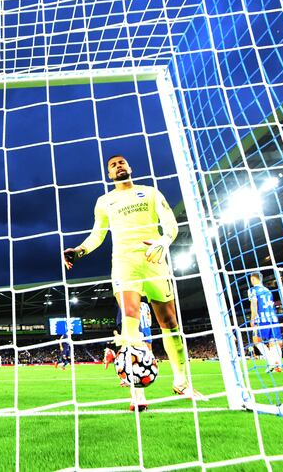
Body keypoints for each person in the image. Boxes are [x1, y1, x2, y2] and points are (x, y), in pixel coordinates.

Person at [63, 154, 206, 405]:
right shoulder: (105, 201)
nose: (118, 166)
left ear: (130, 167)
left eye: (121, 162)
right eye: (112, 165)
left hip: (154, 261)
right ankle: (137, 392)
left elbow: (171, 225)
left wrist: (163, 241)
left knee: (169, 322)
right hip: (124, 263)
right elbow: (98, 234)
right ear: (109, 174)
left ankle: (181, 383)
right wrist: (80, 250)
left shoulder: (150, 192)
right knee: (131, 319)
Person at [248, 272, 283, 373]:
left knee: (256, 340)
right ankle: (278, 365)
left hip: (261, 318)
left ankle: (272, 362)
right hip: (273, 317)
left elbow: (254, 304)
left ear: (253, 279)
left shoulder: (253, 290)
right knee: (274, 340)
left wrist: (253, 318)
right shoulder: (268, 291)